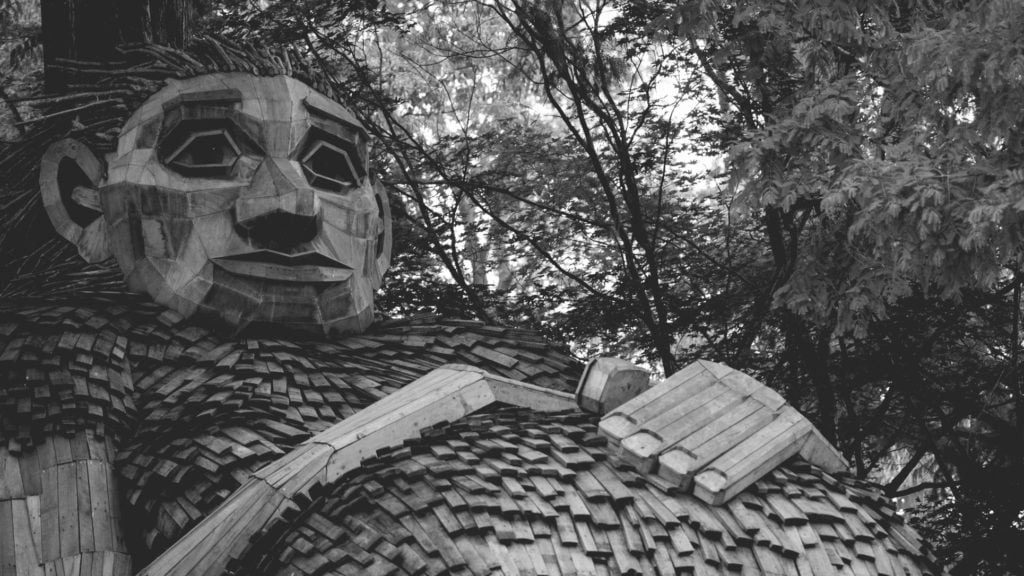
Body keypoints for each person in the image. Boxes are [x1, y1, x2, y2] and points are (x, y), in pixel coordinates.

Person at [0, 40, 942, 576]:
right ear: (85, 194)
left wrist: (736, 407)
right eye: (209, 154)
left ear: (382, 227)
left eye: (332, 169)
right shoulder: (66, 353)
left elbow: (640, 411)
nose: (285, 208)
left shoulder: (484, 335)